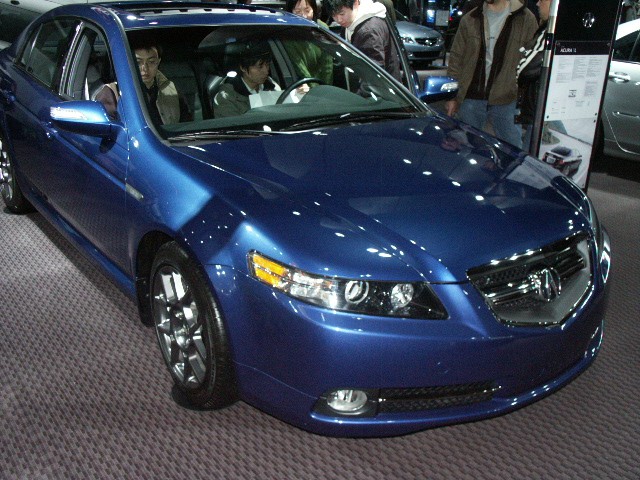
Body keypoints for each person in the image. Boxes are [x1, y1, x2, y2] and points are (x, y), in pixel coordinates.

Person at [445, 0, 537, 149]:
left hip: (507, 97)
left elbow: (532, 60)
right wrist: (451, 96)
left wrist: (521, 93)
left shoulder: (525, 19)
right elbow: (456, 58)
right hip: (472, 95)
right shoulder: (471, 18)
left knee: (512, 150)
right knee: (467, 148)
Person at [326, 0, 401, 81]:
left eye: (342, 14)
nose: (339, 20)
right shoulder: (351, 22)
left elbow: (373, 75)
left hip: (381, 86)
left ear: (355, 3)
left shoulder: (368, 31)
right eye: (333, 15)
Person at [516, 0, 550, 151]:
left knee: (529, 158)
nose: (537, 3)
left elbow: (526, 68)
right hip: (550, 107)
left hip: (539, 108)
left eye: (542, 0)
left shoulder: (549, 31)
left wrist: (518, 67)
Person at [213, 42, 281, 118]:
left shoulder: (272, 85)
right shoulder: (226, 98)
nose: (266, 71)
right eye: (260, 67)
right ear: (243, 68)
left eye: (267, 65)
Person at [285, 0, 334, 87]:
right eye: (297, 11)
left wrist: (326, 88)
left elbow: (327, 66)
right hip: (303, 85)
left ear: (314, 10)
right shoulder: (286, 36)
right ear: (290, 12)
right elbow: (300, 68)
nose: (303, 16)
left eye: (307, 11)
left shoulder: (322, 28)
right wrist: (314, 89)